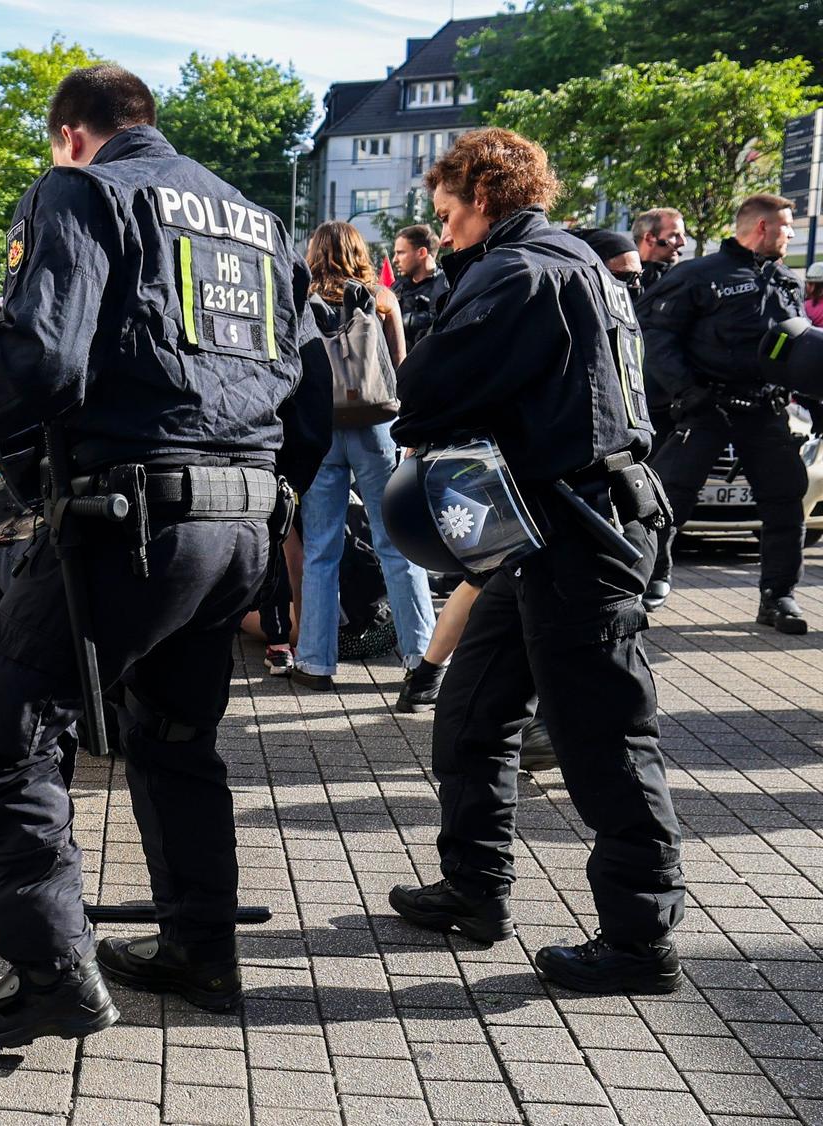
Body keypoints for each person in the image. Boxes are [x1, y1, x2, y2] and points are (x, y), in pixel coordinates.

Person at [0, 65, 301, 1047]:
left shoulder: (81, 189)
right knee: (171, 735)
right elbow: (301, 381)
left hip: (139, 522)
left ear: (68, 134)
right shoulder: (250, 216)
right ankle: (199, 949)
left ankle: (50, 975)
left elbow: (42, 356)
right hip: (241, 517)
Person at [385, 126, 686, 995]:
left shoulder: (518, 271)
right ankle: (473, 890)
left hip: (578, 530)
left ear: (482, 197)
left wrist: (442, 298)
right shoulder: (574, 259)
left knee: (606, 740)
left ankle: (640, 942)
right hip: (542, 529)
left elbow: (427, 388)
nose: (439, 235)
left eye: (445, 216)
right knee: (474, 714)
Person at [641, 193, 807, 628]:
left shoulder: (787, 279)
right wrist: (686, 390)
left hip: (764, 409)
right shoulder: (699, 275)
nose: (791, 233)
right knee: (666, 499)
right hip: (706, 407)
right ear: (763, 228)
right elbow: (655, 334)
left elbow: (798, 345)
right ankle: (646, 579)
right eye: (786, 226)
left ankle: (778, 595)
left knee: (786, 501)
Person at [291, 221, 437, 706]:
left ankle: (314, 661)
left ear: (314, 252)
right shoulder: (381, 298)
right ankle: (420, 657)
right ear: (359, 252)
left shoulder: (301, 302)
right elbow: (401, 364)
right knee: (397, 542)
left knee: (321, 548)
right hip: (377, 428)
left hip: (320, 430)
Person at [389, 223, 447, 349]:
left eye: (400, 253)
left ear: (421, 252)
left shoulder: (448, 287)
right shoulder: (397, 287)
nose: (395, 259)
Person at [631, 207, 686, 298]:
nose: (683, 242)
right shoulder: (621, 278)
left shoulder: (682, 279)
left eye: (683, 235)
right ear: (649, 238)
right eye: (674, 235)